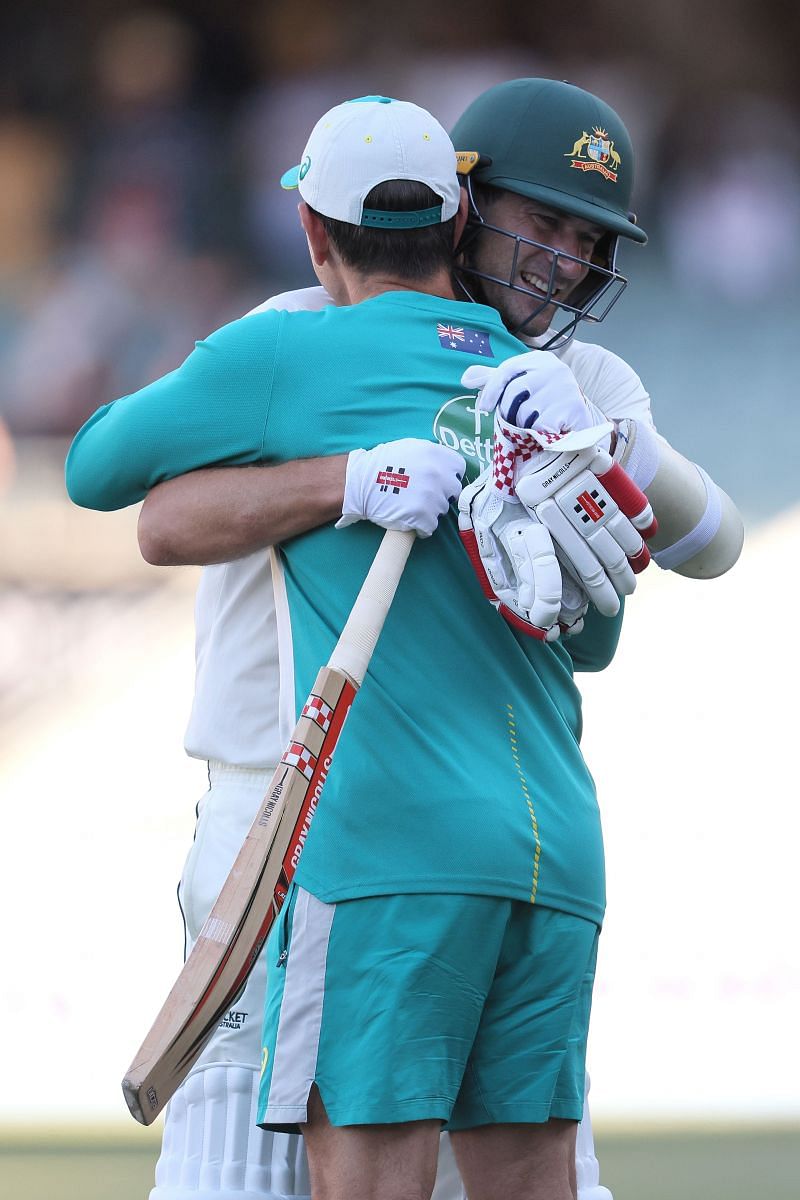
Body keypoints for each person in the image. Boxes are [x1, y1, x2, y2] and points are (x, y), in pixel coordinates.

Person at [69, 83, 742, 1200]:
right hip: (281, 806)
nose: (563, 264)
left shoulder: (576, 385)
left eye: (587, 242)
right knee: (240, 1174)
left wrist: (606, 438)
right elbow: (158, 521)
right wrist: (349, 479)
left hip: (403, 828)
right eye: (543, 223)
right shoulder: (291, 332)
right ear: (457, 203)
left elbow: (681, 564)